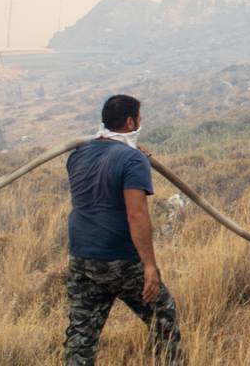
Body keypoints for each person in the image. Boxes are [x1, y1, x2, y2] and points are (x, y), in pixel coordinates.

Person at [64, 95, 182, 366]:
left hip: (81, 257)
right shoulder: (132, 159)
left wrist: (134, 154)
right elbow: (136, 214)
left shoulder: (77, 155)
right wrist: (149, 266)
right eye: (138, 118)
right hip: (119, 258)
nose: (139, 122)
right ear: (130, 122)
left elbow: (102, 176)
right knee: (164, 319)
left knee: (81, 333)